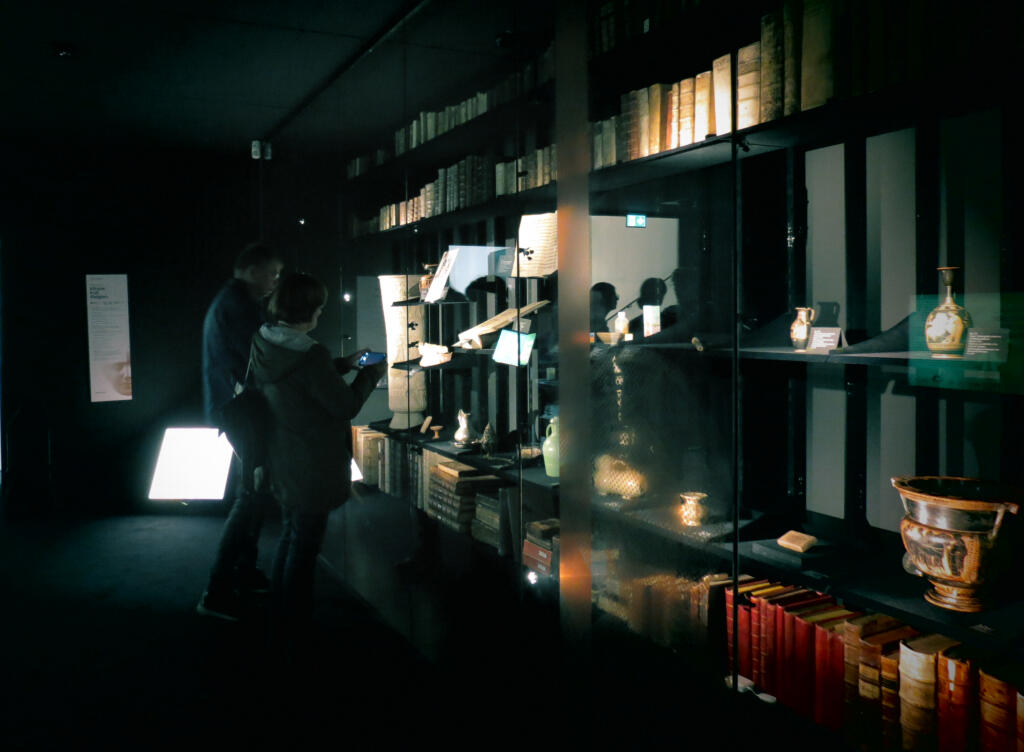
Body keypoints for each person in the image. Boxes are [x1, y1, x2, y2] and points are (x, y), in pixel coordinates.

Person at [249, 272, 386, 660]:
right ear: (307, 310)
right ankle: (294, 630)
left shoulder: (265, 341)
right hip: (312, 463)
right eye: (320, 307)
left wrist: (341, 364)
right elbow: (344, 406)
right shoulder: (310, 355)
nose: (322, 313)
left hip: (282, 456)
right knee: (304, 546)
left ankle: (281, 617)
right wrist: (370, 374)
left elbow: (297, 383)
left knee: (291, 536)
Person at [197, 241, 283, 621]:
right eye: (272, 272)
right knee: (250, 494)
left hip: (233, 408)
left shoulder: (232, 303)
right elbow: (257, 358)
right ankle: (216, 591)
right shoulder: (238, 307)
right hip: (240, 410)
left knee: (252, 492)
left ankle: (243, 573)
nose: (275, 280)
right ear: (251, 270)